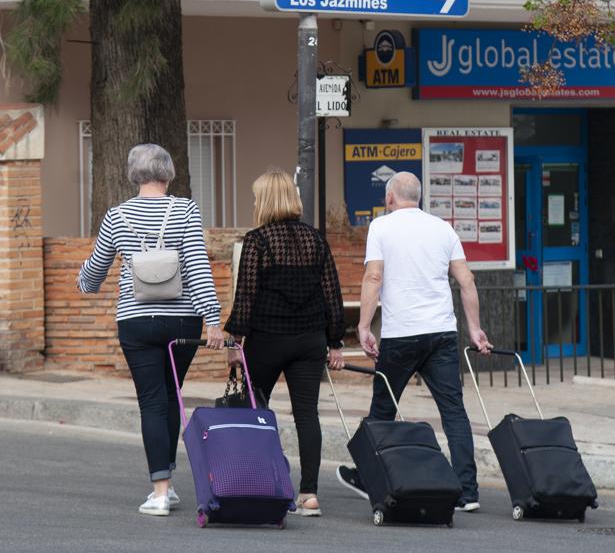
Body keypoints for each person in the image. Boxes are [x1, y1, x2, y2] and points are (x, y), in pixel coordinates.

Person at [77, 144, 223, 517]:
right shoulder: (185, 209)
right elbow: (196, 265)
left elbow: (96, 269)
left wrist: (85, 283)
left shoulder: (117, 216)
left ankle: (160, 490)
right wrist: (213, 318)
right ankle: (168, 485)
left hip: (136, 320)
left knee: (152, 400)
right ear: (169, 172)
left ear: (133, 173)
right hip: (182, 319)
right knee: (172, 395)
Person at [337, 171, 492, 512]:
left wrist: (363, 326)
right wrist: (475, 329)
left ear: (390, 197)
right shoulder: (443, 228)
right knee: (453, 411)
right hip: (441, 333)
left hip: (402, 333)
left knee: (382, 409)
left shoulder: (381, 227)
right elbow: (466, 281)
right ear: (418, 198)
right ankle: (468, 491)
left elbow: (373, 276)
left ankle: (366, 477)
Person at [224, 171, 345, 517]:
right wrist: (334, 342)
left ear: (264, 201)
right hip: (309, 341)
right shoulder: (316, 240)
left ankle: (258, 481)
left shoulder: (258, 240)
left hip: (266, 339)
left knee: (253, 411)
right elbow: (332, 295)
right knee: (307, 415)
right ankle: (309, 495)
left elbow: (245, 296)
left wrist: (235, 341)